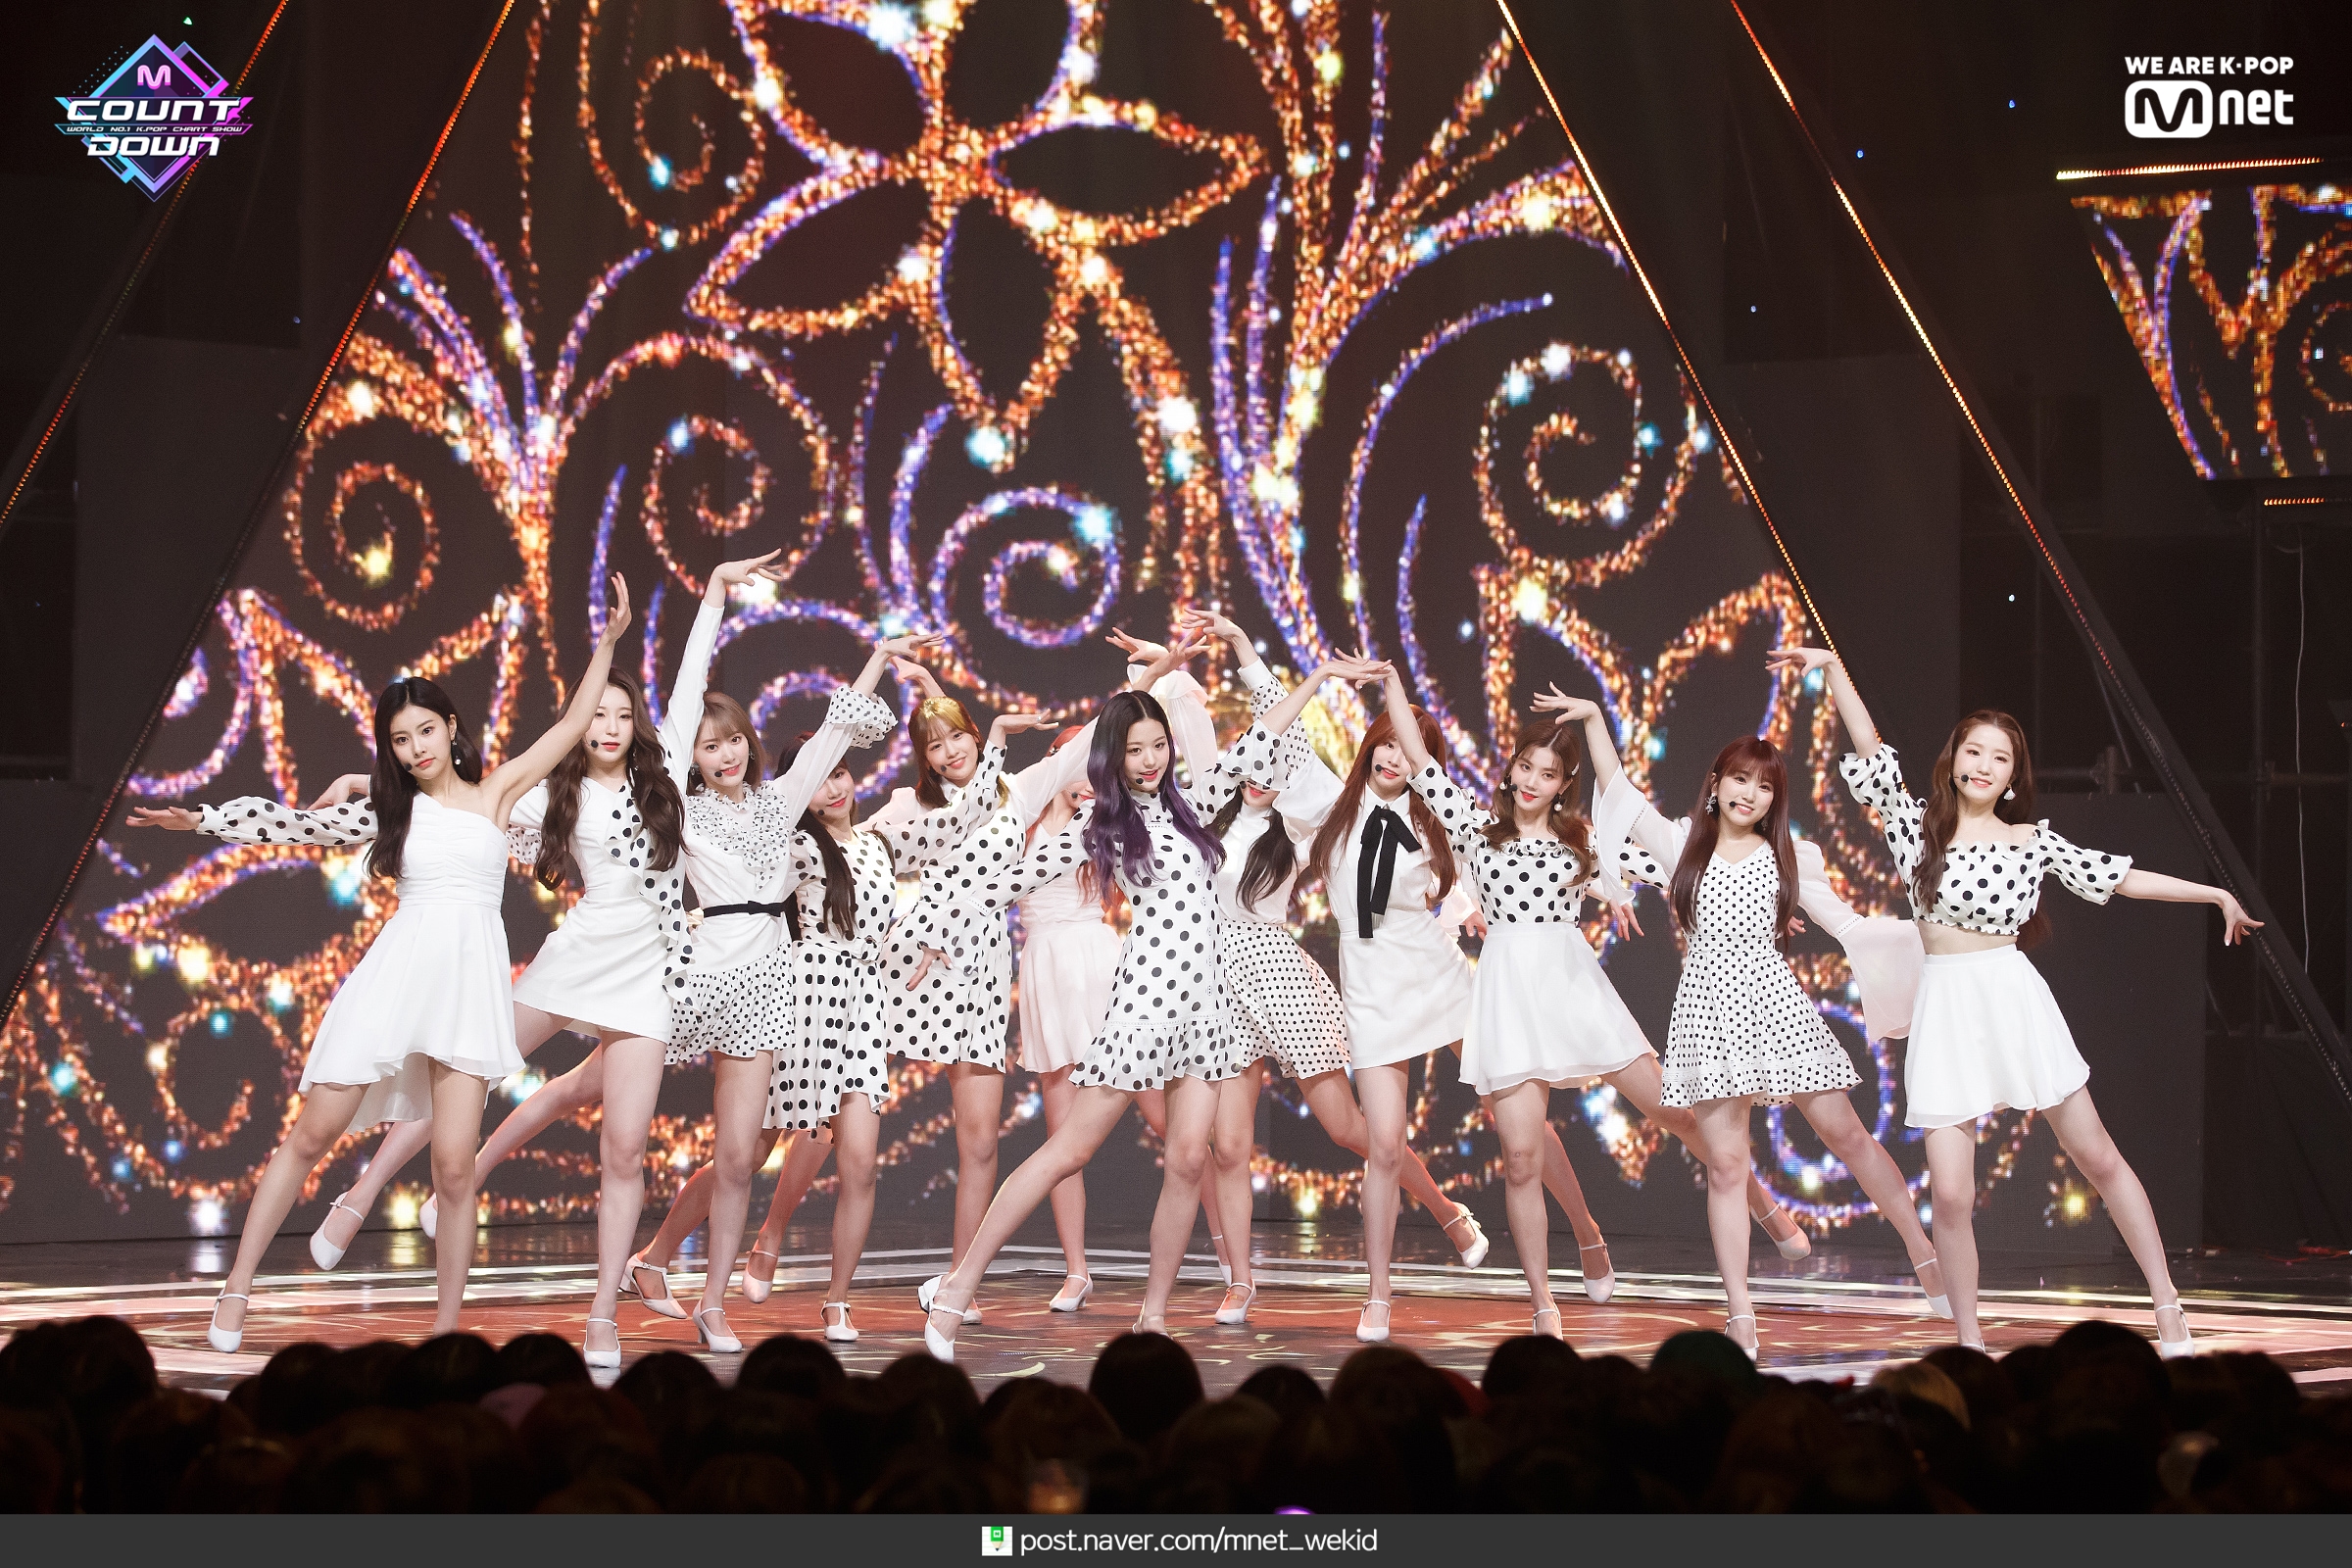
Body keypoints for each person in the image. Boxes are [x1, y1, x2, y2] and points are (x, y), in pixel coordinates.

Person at [127, 575, 639, 1349]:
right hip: (397, 982)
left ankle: (446, 1330)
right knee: (312, 1135)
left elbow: (571, 726)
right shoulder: (391, 813)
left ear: (451, 728)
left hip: (465, 994)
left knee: (455, 1170)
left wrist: (607, 642)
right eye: (401, 740)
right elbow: (292, 825)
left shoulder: (499, 794)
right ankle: (235, 1290)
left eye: (426, 730)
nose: (417, 747)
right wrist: (201, 818)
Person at [1774, 644, 2260, 1355]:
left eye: (1998, 758)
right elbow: (1872, 753)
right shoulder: (1916, 826)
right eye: (1973, 751)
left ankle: (2167, 1303)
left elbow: (2121, 878)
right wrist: (1832, 669)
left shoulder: (2032, 841)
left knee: (2097, 1158)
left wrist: (2213, 893)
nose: (1982, 765)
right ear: (1954, 759)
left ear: (2011, 777)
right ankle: (1969, 1342)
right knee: (1950, 1194)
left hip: (2013, 999)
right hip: (1946, 1008)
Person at [912, 644, 1385, 1360]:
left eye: (1157, 745)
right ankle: (956, 1289)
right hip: (1146, 1000)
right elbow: (1001, 880)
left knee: (1189, 1160)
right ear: (1115, 757)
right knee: (1069, 1149)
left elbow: (1263, 735)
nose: (1150, 760)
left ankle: (1153, 1318)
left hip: (1207, 1007)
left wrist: (1316, 678)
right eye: (1135, 750)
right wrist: (932, 930)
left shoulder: (1196, 802)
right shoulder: (1100, 826)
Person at [1567, 698, 1948, 1360]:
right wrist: (1595, 718)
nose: (1749, 793)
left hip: (1776, 1006)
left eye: (1764, 785)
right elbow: (1618, 789)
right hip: (1708, 1015)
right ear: (1716, 783)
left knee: (1847, 1135)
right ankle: (1740, 1312)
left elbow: (1849, 926)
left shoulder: (1792, 856)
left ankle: (1923, 1251)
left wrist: (1935, 946)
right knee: (1725, 1166)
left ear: (1775, 799)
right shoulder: (1684, 842)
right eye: (1740, 778)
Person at [1166, 610, 1493, 1337]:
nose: (1262, 773)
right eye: (1252, 761)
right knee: (1228, 1144)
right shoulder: (1205, 814)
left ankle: (1444, 1209)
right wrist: (1205, 656)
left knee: (1353, 1130)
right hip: (1211, 982)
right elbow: (1236, 727)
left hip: (1278, 976)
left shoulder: (1309, 817)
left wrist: (1465, 905)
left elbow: (1284, 731)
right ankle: (1240, 1280)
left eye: (1273, 763)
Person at [1368, 666, 1661, 1339]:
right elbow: (1420, 764)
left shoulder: (1581, 842)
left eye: (1547, 773)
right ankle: (1543, 1303)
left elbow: (1670, 866)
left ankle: (1743, 1208)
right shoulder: (1475, 829)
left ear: (1563, 784)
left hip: (1573, 989)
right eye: (1525, 766)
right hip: (1507, 997)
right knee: (1522, 1158)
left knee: (1673, 1108)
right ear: (1510, 770)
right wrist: (1391, 685)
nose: (1531, 780)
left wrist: (1769, 898)